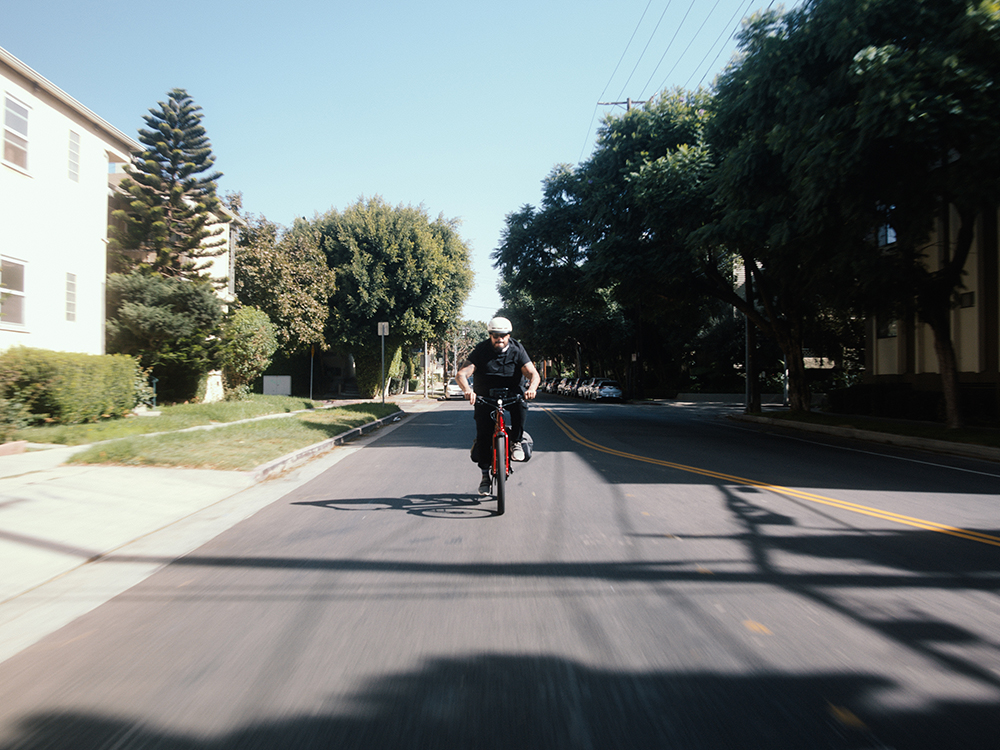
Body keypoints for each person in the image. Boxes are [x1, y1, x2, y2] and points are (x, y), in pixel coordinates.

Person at [456, 316, 541, 495]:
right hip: (485, 395)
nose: (499, 339)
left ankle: (516, 442)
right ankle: (485, 475)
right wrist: (467, 390)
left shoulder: (517, 350)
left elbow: (533, 374)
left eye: (503, 335)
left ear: (509, 335)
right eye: (495, 336)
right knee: (484, 434)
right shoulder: (481, 350)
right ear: (490, 335)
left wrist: (532, 388)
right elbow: (462, 374)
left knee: (521, 407)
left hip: (512, 392)